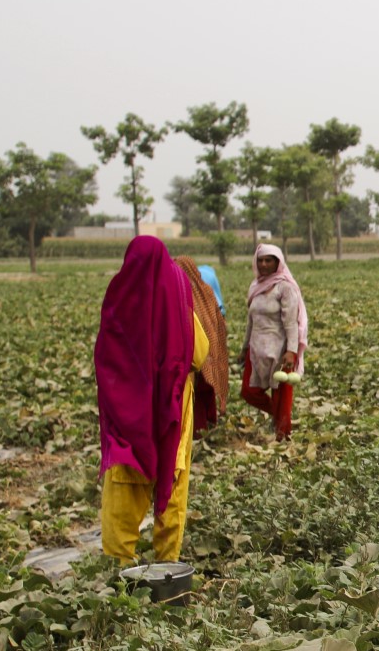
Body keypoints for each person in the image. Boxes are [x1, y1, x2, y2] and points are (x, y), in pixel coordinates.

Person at [94, 237, 209, 564]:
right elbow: (200, 354)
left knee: (123, 486)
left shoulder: (118, 300)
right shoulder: (178, 300)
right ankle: (167, 566)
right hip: (172, 411)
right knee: (172, 483)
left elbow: (104, 358)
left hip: (127, 415)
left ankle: (117, 567)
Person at [237, 243, 308, 441]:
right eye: (260, 260)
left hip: (280, 349)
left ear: (278, 263)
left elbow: (291, 323)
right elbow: (251, 321)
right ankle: (276, 417)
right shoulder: (256, 285)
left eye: (269, 260)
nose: (264, 264)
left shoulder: (285, 287)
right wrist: (244, 348)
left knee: (281, 395)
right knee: (249, 392)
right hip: (257, 347)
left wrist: (291, 351)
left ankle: (282, 435)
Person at [175, 256, 229, 429]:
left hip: (200, 349)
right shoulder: (203, 290)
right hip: (208, 347)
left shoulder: (192, 293)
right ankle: (209, 420)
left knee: (200, 387)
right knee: (206, 386)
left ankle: (200, 428)